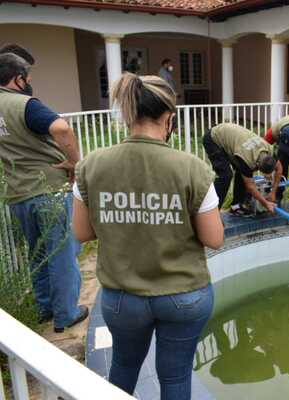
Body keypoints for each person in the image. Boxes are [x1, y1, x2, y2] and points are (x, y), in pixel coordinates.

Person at [72, 72, 224, 399]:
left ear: (128, 113)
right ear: (169, 117)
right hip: (184, 295)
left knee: (123, 368)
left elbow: (82, 232)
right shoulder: (192, 168)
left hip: (122, 298)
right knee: (175, 377)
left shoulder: (90, 166)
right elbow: (214, 238)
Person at [0, 53, 87, 332]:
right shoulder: (25, 104)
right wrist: (75, 161)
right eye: (28, 78)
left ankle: (45, 309)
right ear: (18, 78)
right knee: (61, 252)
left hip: (17, 193)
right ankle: (66, 314)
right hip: (48, 189)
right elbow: (61, 128)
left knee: (37, 253)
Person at [203, 122, 277, 215]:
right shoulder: (246, 158)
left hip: (230, 136)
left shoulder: (269, 149)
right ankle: (211, 213)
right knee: (225, 176)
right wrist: (265, 203)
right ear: (257, 163)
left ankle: (236, 207)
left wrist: (273, 190)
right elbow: (250, 186)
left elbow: (280, 168)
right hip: (213, 139)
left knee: (241, 172)